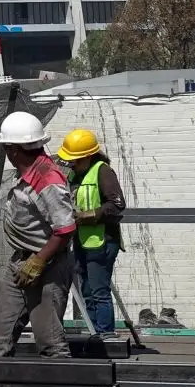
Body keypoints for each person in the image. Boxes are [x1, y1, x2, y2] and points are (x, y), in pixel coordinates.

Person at [0, 111, 78, 359]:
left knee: (49, 339)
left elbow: (65, 228)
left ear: (13, 149)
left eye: (6, 148)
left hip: (48, 265)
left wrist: (39, 261)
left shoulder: (47, 179)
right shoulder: (29, 173)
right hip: (21, 262)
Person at [56, 127, 128, 337]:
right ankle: (95, 332)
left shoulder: (102, 170)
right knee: (87, 291)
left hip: (103, 240)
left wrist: (86, 216)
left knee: (99, 291)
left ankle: (105, 334)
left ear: (88, 156)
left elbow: (117, 205)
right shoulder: (75, 175)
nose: (72, 164)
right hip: (82, 240)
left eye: (76, 160)